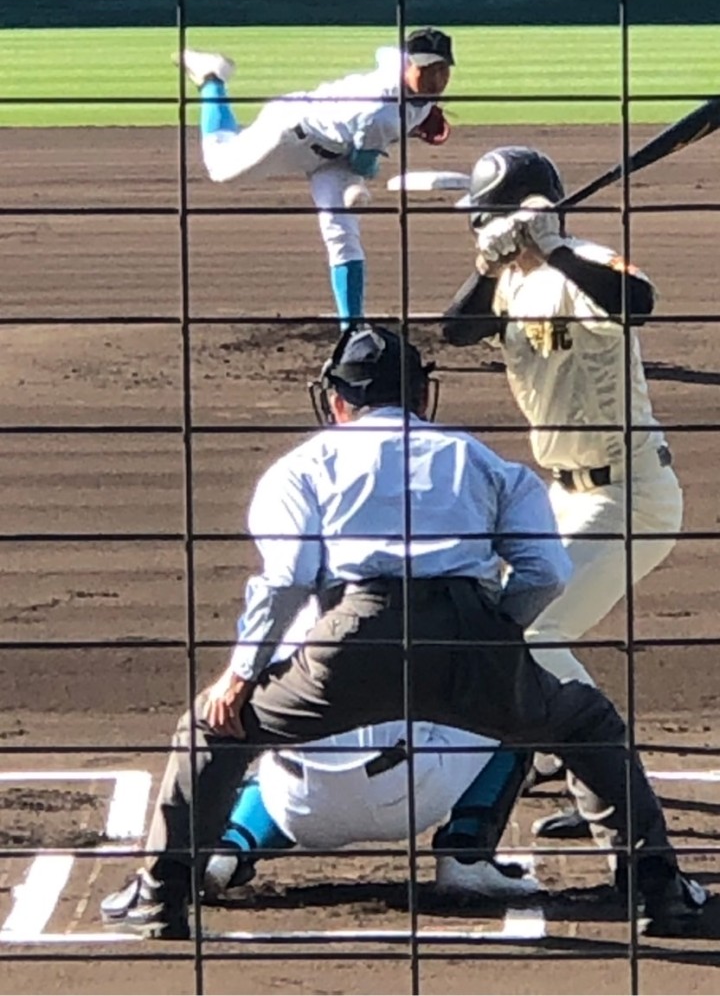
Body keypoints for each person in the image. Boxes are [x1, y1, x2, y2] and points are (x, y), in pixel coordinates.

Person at [101, 325, 705, 940]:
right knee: (585, 725)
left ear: (336, 400)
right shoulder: (479, 459)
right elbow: (545, 571)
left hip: (351, 635)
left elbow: (286, 581)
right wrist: (495, 633)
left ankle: (160, 895)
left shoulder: (304, 465)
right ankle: (656, 891)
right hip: (468, 633)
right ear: (422, 397)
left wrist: (240, 675)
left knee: (211, 728)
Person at [443, 145, 684, 833]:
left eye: (481, 216)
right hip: (559, 495)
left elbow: (639, 302)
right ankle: (554, 739)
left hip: (628, 493)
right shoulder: (511, 279)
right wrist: (487, 264)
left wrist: (554, 247)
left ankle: (594, 769)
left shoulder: (584, 264)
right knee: (495, 614)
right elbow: (456, 331)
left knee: (530, 631)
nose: (473, 225)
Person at [200, 597, 538, 904]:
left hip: (297, 804)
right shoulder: (432, 603)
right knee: (514, 698)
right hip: (408, 797)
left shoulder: (288, 608)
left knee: (285, 751)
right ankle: (466, 854)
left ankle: (231, 846)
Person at [176, 29, 453, 327]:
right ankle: (213, 79)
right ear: (408, 64)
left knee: (342, 234)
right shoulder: (380, 114)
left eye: (442, 70)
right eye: (427, 70)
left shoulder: (397, 66)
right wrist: (398, 138)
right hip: (292, 133)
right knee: (220, 166)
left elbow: (386, 58)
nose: (436, 80)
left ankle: (352, 330)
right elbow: (363, 166)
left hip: (335, 154)